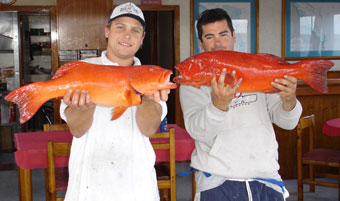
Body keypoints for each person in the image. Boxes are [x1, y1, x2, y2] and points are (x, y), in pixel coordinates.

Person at [179, 8, 302, 201]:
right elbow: (198, 131)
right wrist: (218, 105)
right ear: (201, 43)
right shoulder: (194, 82)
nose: (218, 42)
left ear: (234, 36)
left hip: (266, 177)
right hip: (217, 181)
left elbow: (287, 123)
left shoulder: (256, 67)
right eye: (209, 37)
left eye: (223, 34)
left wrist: (289, 100)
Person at [60, 2, 170, 201]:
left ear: (142, 38)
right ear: (107, 31)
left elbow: (148, 129)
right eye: (120, 27)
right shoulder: (84, 70)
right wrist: (86, 105)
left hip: (137, 187)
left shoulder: (149, 76)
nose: (127, 35)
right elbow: (77, 129)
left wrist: (145, 97)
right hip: (88, 187)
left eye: (135, 30)